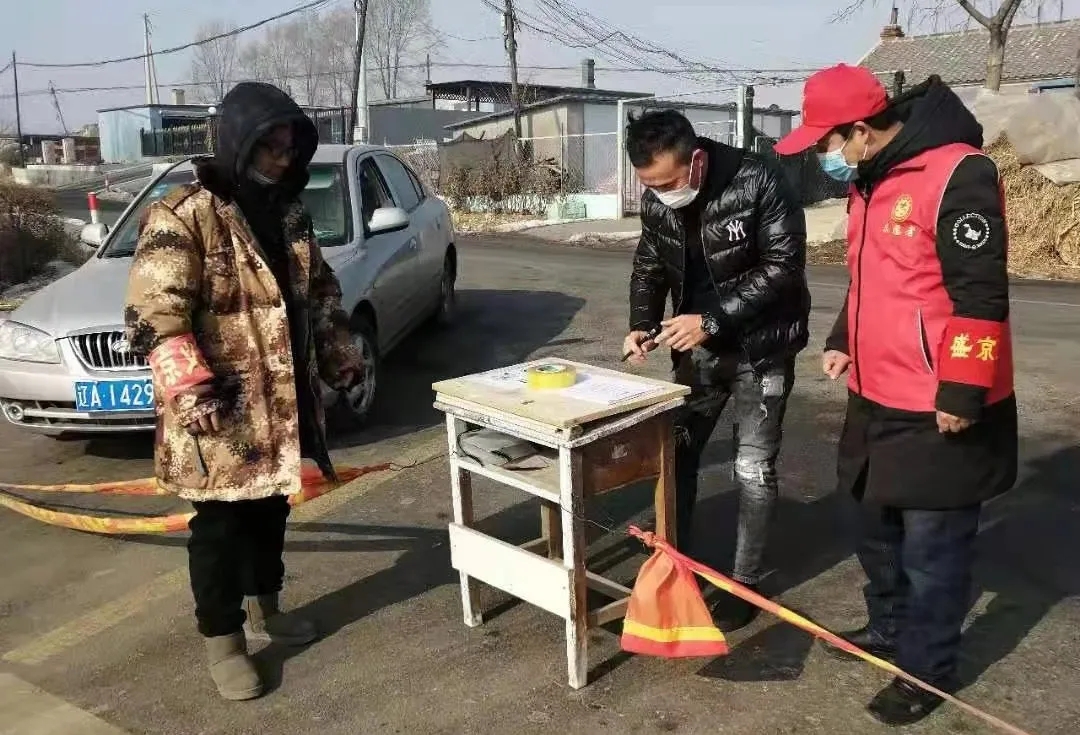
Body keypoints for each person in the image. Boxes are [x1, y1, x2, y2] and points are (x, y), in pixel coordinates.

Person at [773, 64, 1017, 726]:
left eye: (828, 143)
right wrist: (843, 338)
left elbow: (981, 295)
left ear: (860, 130)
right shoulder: (870, 180)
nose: (824, 157)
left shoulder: (958, 173)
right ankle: (889, 629)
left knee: (933, 549)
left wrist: (962, 391)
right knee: (868, 521)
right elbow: (871, 278)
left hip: (937, 400)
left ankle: (926, 670)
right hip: (873, 391)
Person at [125, 81, 363, 701]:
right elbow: (155, 313)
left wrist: (340, 355)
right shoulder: (184, 214)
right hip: (218, 409)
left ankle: (268, 608)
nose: (282, 160)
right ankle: (224, 641)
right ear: (238, 142)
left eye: (289, 148)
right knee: (220, 528)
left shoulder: (290, 213)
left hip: (279, 404)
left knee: (271, 510)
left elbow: (321, 293)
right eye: (269, 147)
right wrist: (189, 391)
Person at [622, 109, 811, 632]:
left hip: (761, 349)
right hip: (696, 353)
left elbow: (783, 266)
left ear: (696, 161)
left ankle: (744, 582)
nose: (661, 195)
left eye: (668, 183)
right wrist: (642, 322)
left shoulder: (759, 180)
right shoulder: (656, 199)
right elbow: (649, 265)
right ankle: (673, 560)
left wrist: (711, 319)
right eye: (650, 186)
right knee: (675, 454)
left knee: (752, 468)